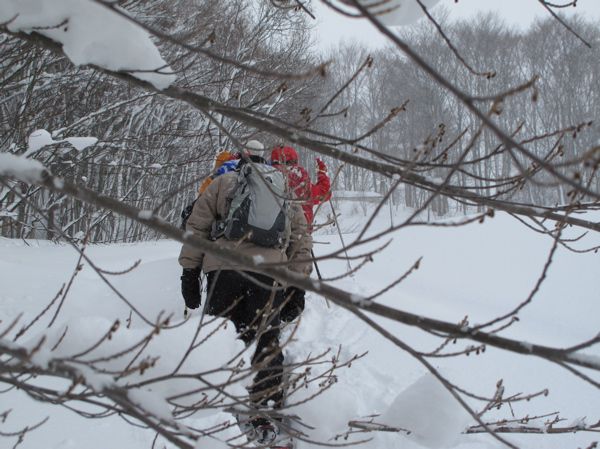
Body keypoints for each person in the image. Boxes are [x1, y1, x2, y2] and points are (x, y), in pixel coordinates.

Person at [178, 153, 312, 443]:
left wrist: (190, 272)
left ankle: (219, 405)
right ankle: (263, 412)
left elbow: (197, 226)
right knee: (267, 339)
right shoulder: (281, 187)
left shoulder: (223, 182)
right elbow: (300, 237)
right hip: (268, 271)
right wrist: (298, 286)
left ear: (240, 168)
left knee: (221, 336)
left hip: (223, 269)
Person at [270, 145, 331, 231]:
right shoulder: (298, 176)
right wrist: (322, 173)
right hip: (299, 233)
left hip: (270, 231)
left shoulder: (267, 175)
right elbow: (324, 193)